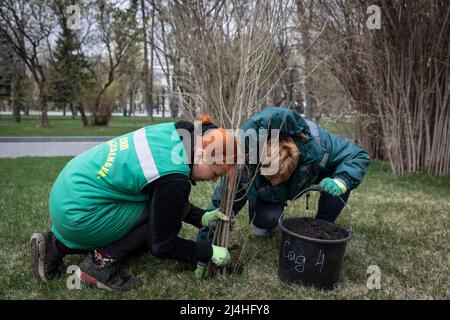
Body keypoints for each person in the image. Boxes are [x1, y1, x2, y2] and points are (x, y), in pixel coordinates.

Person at [30, 116, 237, 291]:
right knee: (158, 221)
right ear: (201, 155)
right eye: (215, 173)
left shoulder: (180, 131)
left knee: (158, 205)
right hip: (80, 212)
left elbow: (163, 193)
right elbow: (162, 244)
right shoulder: (175, 178)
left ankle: (54, 244)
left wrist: (200, 217)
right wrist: (207, 252)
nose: (211, 180)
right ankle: (99, 265)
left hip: (67, 190)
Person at [198, 107, 371, 240]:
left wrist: (342, 181)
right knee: (266, 219)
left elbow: (358, 155)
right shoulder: (246, 164)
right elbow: (221, 203)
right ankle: (262, 219)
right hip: (271, 190)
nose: (274, 182)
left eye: (280, 178)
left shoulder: (319, 145)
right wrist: (204, 248)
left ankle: (323, 225)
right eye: (270, 177)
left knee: (340, 180)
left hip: (315, 171)